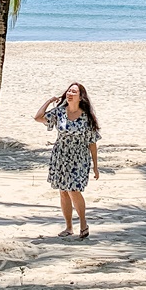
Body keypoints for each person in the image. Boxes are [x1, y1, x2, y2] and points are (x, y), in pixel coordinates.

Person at [34, 82, 100, 239]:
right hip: (61, 156)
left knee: (73, 189)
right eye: (69, 91)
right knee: (63, 192)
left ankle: (83, 223)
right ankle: (69, 227)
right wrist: (50, 101)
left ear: (80, 97)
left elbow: (92, 142)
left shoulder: (86, 117)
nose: (70, 93)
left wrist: (96, 166)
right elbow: (38, 118)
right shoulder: (60, 112)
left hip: (79, 158)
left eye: (74, 92)